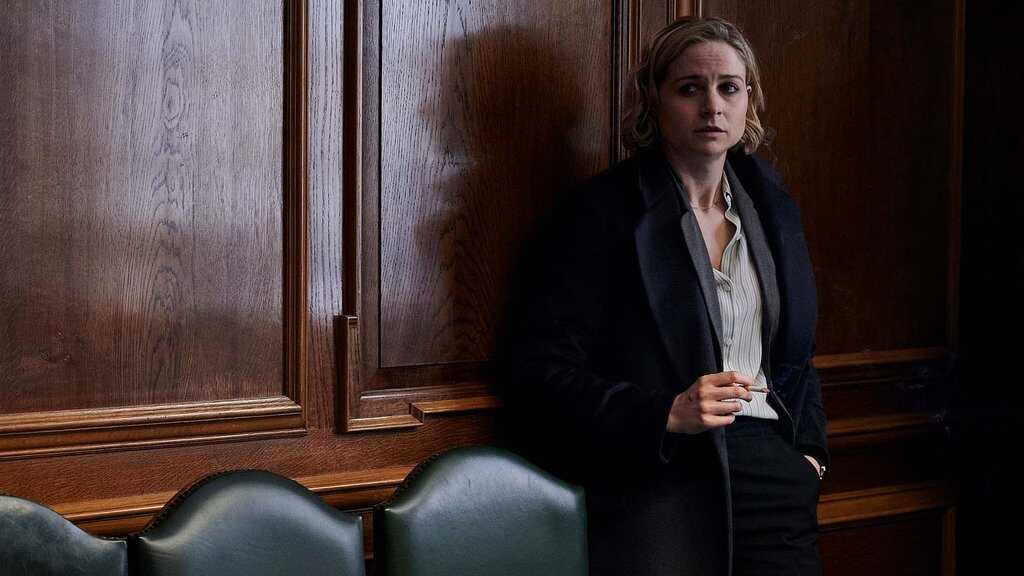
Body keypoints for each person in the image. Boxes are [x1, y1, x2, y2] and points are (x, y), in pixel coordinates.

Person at [511, 16, 829, 576]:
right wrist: (666, 413)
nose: (712, 106)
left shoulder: (772, 204)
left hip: (774, 477)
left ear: (748, 99)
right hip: (659, 482)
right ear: (654, 100)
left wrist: (808, 456)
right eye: (689, 88)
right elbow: (542, 371)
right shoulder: (602, 212)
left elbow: (798, 357)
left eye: (728, 87)